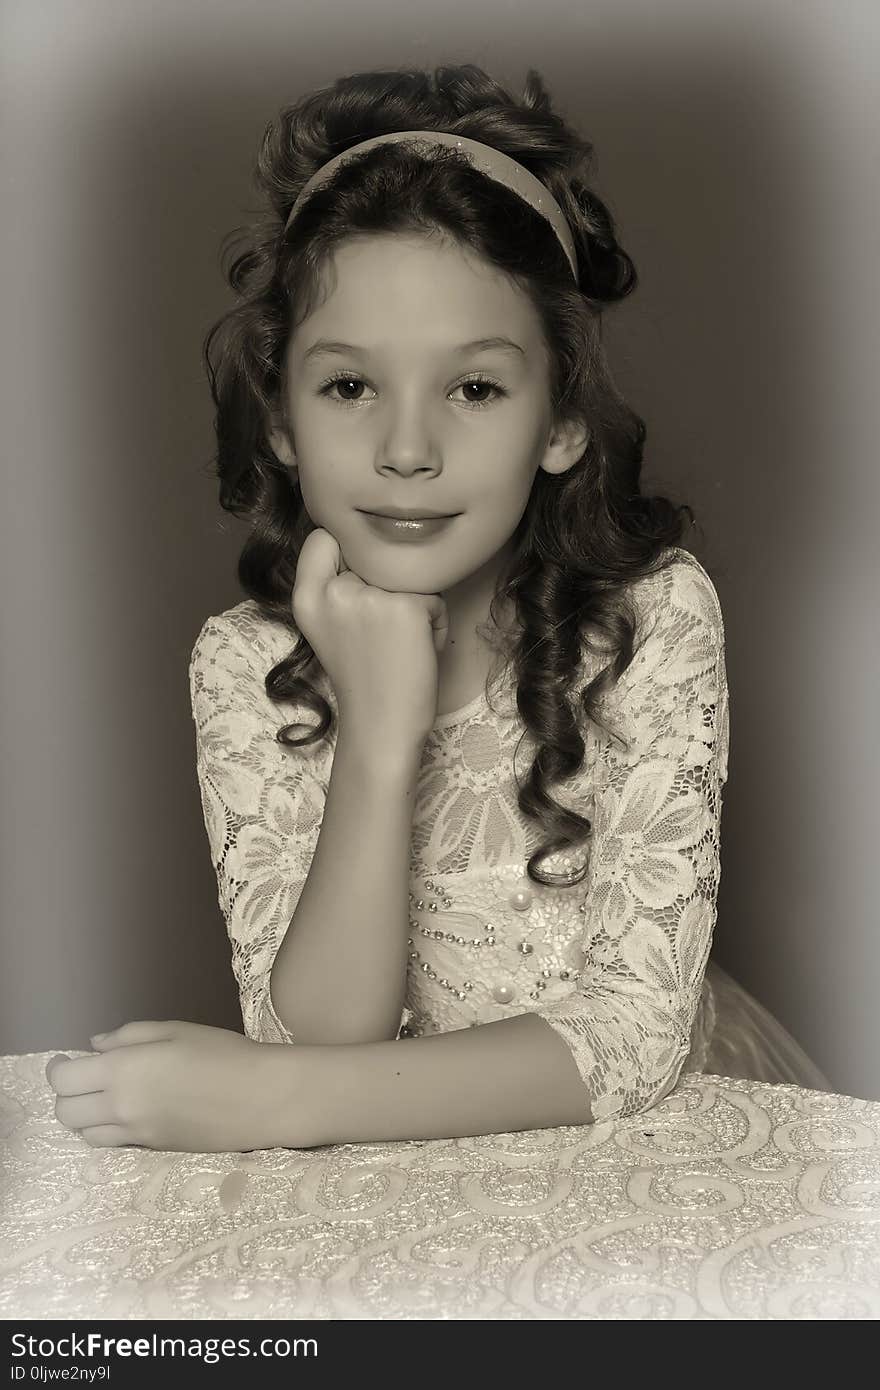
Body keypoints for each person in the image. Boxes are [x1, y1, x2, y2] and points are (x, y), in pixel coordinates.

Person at [46, 64, 830, 1154]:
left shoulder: (651, 617)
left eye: (473, 389)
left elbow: (631, 1040)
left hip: (633, 1143)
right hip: (393, 1171)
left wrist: (269, 1101)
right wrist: (377, 731)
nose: (407, 451)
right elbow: (314, 1033)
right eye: (349, 387)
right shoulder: (242, 662)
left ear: (559, 423)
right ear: (279, 422)